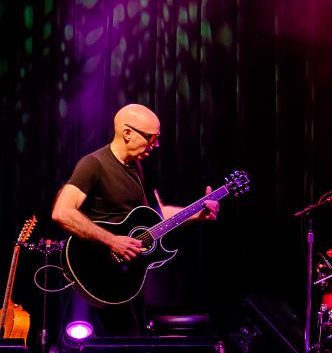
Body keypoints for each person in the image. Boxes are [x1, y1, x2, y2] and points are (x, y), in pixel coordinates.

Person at [51, 103, 219, 335]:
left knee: (138, 342)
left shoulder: (140, 167)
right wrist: (112, 240)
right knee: (127, 346)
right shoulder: (93, 165)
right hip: (100, 271)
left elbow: (158, 215)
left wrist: (196, 213)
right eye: (151, 137)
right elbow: (62, 212)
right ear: (127, 133)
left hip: (131, 274)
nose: (156, 144)